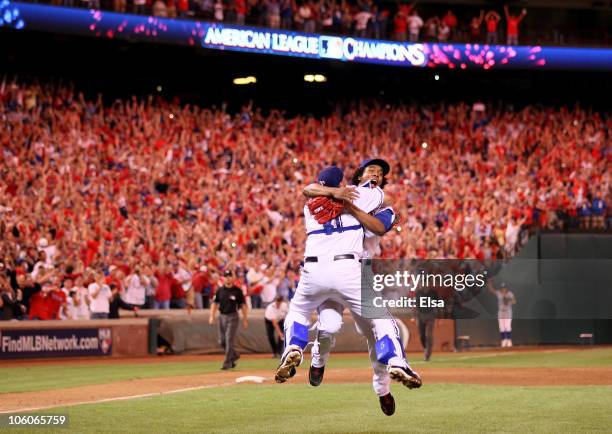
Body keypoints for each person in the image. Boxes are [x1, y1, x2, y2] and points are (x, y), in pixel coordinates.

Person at [275, 163, 421, 416]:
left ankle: (382, 388)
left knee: (369, 335)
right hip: (349, 271)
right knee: (338, 326)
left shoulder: (374, 205)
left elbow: (379, 226)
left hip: (332, 269)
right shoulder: (361, 193)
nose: (376, 174)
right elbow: (363, 205)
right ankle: (391, 362)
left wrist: (340, 199)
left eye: (380, 173)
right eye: (371, 170)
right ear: (359, 176)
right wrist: (340, 195)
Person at [209, 269, 249, 370]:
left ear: (233, 277)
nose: (228, 278)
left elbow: (243, 306)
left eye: (230, 276)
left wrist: (245, 319)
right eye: (226, 276)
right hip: (221, 316)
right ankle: (234, 355)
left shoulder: (237, 291)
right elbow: (214, 303)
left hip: (233, 316)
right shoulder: (220, 290)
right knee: (222, 341)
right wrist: (211, 316)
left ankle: (227, 363)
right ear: (223, 278)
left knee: (229, 340)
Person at [489, 281, 516, 347]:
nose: (503, 289)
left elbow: (514, 301)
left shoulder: (509, 293)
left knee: (507, 326)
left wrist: (509, 300)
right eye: (502, 288)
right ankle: (504, 340)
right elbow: (492, 290)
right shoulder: (499, 293)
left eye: (504, 288)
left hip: (508, 311)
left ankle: (509, 340)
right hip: (501, 311)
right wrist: (489, 283)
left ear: (506, 288)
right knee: (501, 326)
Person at [416, 286, 437, 361]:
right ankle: (425, 348)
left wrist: (438, 314)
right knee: (421, 335)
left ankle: (428, 353)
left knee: (428, 335)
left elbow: (438, 303)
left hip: (430, 315)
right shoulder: (419, 292)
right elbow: (416, 304)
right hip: (420, 315)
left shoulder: (433, 293)